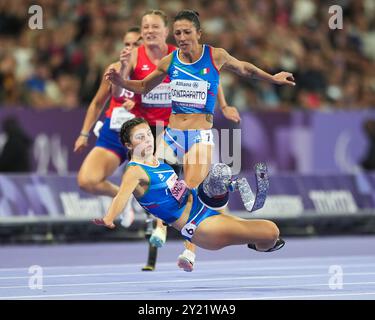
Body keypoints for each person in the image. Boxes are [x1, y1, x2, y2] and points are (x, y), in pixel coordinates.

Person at [106, 10, 294, 270]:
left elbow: (245, 69)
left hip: (199, 136)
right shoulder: (170, 60)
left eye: (186, 32)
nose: (182, 38)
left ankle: (189, 250)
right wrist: (120, 81)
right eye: (178, 33)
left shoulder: (215, 55)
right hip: (171, 132)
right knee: (149, 177)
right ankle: (161, 224)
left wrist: (272, 78)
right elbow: (144, 86)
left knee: (190, 187)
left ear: (198, 33)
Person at [112, 10, 241, 272]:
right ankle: (156, 232)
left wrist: (225, 106)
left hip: (189, 130)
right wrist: (125, 88)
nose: (149, 31)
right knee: (159, 184)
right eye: (145, 26)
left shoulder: (180, 51)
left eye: (154, 26)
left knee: (189, 189)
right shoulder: (139, 56)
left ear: (163, 30)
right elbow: (135, 87)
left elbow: (211, 77)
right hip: (158, 129)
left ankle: (184, 246)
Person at [93, 118, 285, 257]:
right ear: (128, 145)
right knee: (271, 231)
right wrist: (109, 218)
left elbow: (176, 190)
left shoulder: (159, 164)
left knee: (220, 171)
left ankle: (235, 186)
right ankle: (258, 243)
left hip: (202, 204)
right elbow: (121, 196)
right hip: (201, 226)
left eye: (148, 135)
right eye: (140, 137)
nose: (148, 140)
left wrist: (187, 186)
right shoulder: (134, 171)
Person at [74, 26, 142, 228]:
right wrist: (84, 133)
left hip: (144, 136)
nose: (130, 48)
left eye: (136, 44)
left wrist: (137, 106)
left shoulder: (156, 70)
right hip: (114, 132)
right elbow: (96, 103)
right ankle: (123, 197)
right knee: (86, 180)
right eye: (127, 44)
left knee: (148, 188)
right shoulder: (114, 68)